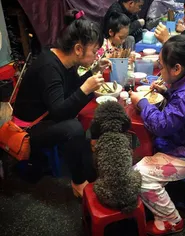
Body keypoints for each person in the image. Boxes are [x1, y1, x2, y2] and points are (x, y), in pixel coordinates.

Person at [12, 9, 111, 197]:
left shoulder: (65, 60)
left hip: (46, 114)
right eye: (94, 51)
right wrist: (86, 89)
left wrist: (93, 71)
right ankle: (78, 183)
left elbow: (70, 89)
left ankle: (90, 173)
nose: (96, 55)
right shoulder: (49, 66)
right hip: (29, 128)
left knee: (78, 122)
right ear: (78, 49)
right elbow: (59, 111)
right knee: (73, 127)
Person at [129, 34, 185, 235]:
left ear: (177, 69)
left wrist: (142, 103)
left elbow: (161, 125)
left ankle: (171, 220)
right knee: (146, 154)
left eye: (161, 66)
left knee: (138, 175)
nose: (159, 71)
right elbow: (184, 109)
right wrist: (167, 92)